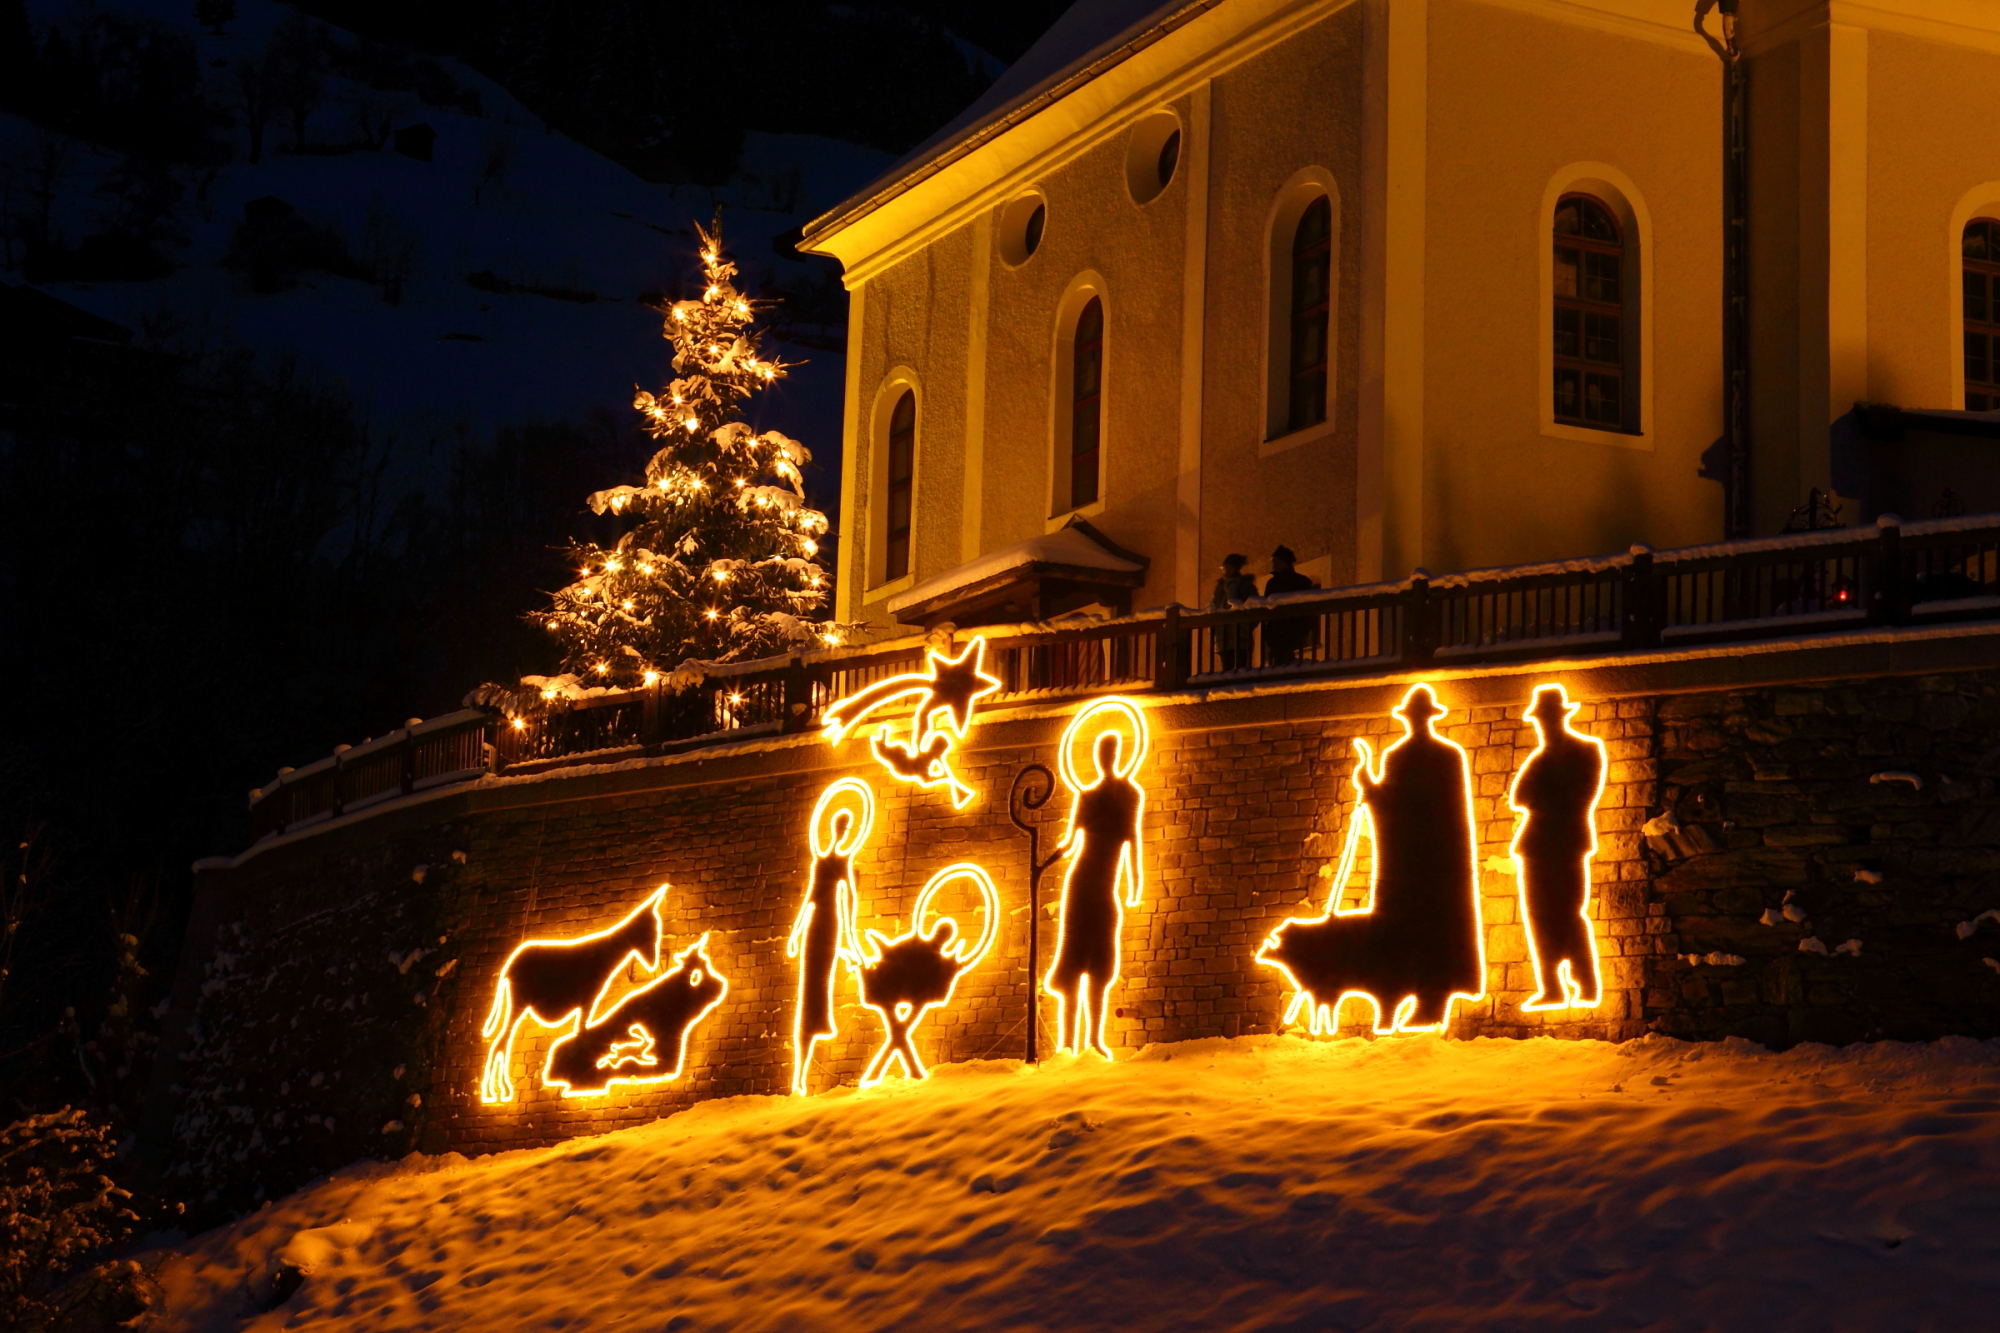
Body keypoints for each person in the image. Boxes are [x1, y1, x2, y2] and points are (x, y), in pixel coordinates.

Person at [1046, 729, 1145, 1057]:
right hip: (1081, 880)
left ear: (1118, 757)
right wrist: (1051, 855)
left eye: (1111, 753)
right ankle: (1068, 1040)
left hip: (1107, 886)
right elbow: (1071, 840)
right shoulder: (1086, 795)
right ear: (1096, 759)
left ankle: (1094, 1038)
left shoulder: (1129, 795)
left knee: (1101, 963)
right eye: (1102, 754)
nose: (1106, 760)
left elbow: (1132, 839)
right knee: (1073, 960)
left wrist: (1135, 880)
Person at [1509, 685, 1606, 1010]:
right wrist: (1548, 799)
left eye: (1546, 718)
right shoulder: (1540, 758)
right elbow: (1518, 797)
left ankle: (1586, 983)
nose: (1542, 725)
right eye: (1540, 719)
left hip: (1566, 844)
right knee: (1539, 917)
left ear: (1558, 717)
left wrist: (1545, 800)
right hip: (1535, 846)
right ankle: (1551, 986)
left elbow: (1580, 797)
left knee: (1567, 913)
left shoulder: (1586, 750)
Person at [1260, 544, 1318, 666]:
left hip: (1289, 628)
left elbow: (1307, 605)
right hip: (1279, 629)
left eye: (1275, 560)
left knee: (1283, 658)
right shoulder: (1276, 582)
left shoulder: (1298, 581)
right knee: (1280, 657)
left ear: (1282, 562)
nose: (1272, 563)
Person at [1208, 553, 1258, 671]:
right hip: (1223, 638)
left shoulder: (1245, 586)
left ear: (1235, 568)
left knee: (1241, 670)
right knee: (1227, 669)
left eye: (1228, 567)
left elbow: (1254, 608)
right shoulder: (1220, 588)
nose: (1225, 570)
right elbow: (1214, 607)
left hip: (1241, 637)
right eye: (1223, 567)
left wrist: (1246, 626)